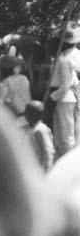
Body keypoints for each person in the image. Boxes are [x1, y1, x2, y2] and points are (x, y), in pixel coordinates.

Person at [48, 27, 80, 158]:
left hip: (65, 96)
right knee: (61, 133)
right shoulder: (60, 58)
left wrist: (53, 97)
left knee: (67, 135)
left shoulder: (65, 60)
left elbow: (66, 83)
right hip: (63, 96)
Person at [0, 54, 31, 127]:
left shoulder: (6, 82)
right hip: (27, 116)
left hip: (15, 118)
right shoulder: (24, 78)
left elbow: (8, 102)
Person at [24, 101, 55, 172]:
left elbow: (48, 151)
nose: (27, 116)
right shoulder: (32, 129)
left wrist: (46, 170)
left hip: (41, 170)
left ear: (40, 116)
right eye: (26, 113)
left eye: (30, 114)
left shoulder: (40, 129)